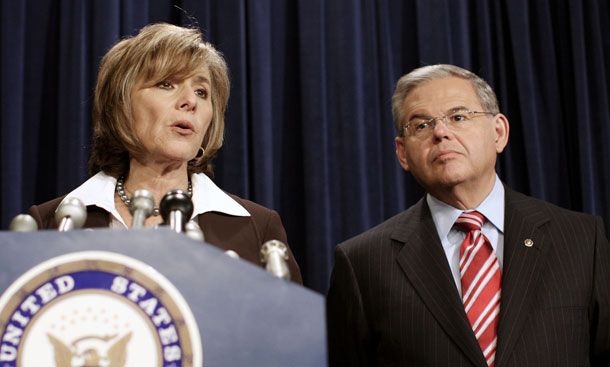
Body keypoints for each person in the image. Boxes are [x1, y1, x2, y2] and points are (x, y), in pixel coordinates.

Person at [326, 64, 610, 366]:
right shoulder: (363, 263)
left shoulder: (580, 239)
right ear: (403, 154)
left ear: (498, 132)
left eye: (458, 117)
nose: (440, 133)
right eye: (421, 125)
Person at [27, 23, 302, 284]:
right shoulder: (52, 223)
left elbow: (291, 329)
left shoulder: (258, 230)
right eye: (166, 84)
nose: (190, 101)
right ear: (121, 103)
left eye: (201, 91)